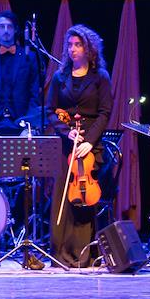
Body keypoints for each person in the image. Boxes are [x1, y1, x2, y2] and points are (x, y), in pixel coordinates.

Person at [45, 25, 112, 268]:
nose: (73, 49)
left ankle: (85, 253)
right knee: (64, 196)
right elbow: (50, 111)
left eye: (78, 45)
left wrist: (89, 142)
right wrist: (67, 132)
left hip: (90, 146)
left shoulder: (100, 77)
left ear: (89, 48)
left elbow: (105, 113)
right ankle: (61, 253)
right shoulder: (59, 77)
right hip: (67, 145)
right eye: (70, 45)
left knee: (86, 198)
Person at [0, 10, 42, 136]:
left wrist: (29, 125)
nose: (6, 30)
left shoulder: (29, 57)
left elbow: (34, 94)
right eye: (2, 26)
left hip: (21, 121)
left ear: (16, 29)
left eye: (10, 26)